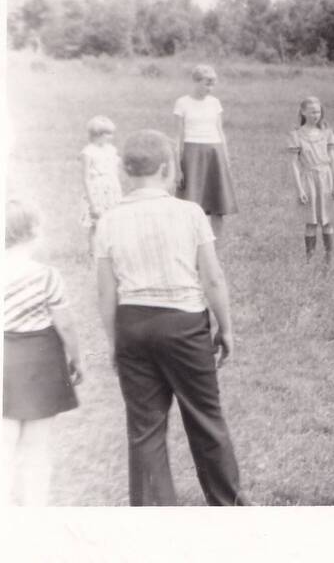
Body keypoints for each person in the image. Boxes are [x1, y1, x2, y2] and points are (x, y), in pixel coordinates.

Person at [95, 129, 247, 506]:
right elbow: (212, 277)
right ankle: (227, 506)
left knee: (145, 428)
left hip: (132, 324)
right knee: (205, 418)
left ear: (126, 171)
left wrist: (115, 343)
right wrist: (225, 327)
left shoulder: (109, 220)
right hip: (184, 325)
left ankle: (152, 517)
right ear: (167, 167)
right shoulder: (189, 212)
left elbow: (105, 291)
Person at [3, 199, 83, 506]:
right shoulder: (46, 275)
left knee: (4, 445)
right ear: (34, 231)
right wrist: (77, 359)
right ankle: (36, 510)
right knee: (37, 447)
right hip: (39, 362)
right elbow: (65, 324)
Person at [174, 64, 237, 238]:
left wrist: (226, 157)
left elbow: (220, 131)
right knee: (191, 205)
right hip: (192, 154)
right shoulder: (182, 103)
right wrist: (178, 167)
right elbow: (178, 136)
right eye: (206, 84)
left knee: (218, 205)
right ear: (195, 81)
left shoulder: (215, 103)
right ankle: (191, 244)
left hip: (214, 153)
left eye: (212, 84)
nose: (209, 88)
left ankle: (214, 250)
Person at [289, 96, 334, 264]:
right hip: (309, 180)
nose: (315, 115)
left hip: (326, 179)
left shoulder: (326, 133)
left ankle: (329, 258)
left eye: (318, 111)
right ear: (303, 112)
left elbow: (333, 161)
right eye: (312, 112)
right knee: (311, 222)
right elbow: (294, 164)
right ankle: (309, 259)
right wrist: (300, 189)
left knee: (327, 221)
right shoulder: (296, 135)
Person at [79, 115, 122, 257]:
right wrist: (92, 203)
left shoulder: (111, 150)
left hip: (111, 187)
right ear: (97, 135)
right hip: (96, 189)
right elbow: (85, 178)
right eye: (107, 134)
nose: (111, 137)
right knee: (96, 223)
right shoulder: (88, 152)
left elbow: (116, 168)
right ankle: (93, 254)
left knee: (113, 221)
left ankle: (111, 251)